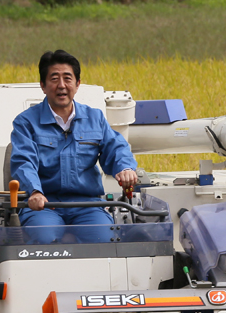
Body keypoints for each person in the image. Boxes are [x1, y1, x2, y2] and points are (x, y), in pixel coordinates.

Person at [10, 50, 139, 243]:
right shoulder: (25, 122)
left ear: (77, 84)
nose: (61, 85)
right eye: (54, 78)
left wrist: (126, 168)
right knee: (45, 237)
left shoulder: (95, 118)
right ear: (43, 86)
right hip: (45, 205)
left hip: (87, 205)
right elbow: (23, 162)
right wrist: (35, 191)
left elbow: (116, 148)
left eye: (67, 78)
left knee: (104, 238)